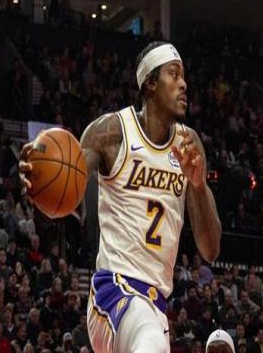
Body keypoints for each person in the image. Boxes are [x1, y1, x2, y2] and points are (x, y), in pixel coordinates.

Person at [19, 42, 222, 352]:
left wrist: (198, 185)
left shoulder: (188, 144)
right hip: (114, 291)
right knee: (152, 344)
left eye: (184, 76)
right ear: (150, 83)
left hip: (155, 304)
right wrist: (38, 183)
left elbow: (210, 250)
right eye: (174, 74)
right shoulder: (111, 133)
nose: (184, 84)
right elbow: (65, 194)